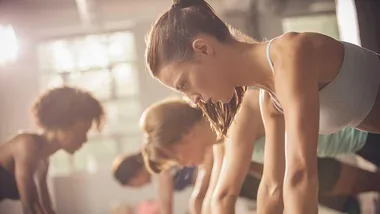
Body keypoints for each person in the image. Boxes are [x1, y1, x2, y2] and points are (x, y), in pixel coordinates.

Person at [145, 0, 380, 212]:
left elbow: (300, 175)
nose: (192, 100)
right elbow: (272, 187)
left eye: (183, 84)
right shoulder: (269, 100)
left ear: (204, 49)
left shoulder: (290, 55)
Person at [140, 94, 380, 213]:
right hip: (356, 141)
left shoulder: (235, 121)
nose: (181, 164)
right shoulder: (221, 140)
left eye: (175, 157)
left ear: (185, 135)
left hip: (363, 129)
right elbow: (215, 193)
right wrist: (197, 204)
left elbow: (224, 196)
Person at [0, 86, 105, 214]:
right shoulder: (26, 144)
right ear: (61, 125)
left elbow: (46, 206)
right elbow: (30, 205)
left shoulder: (43, 160)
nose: (84, 140)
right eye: (81, 132)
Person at [112, 152, 262, 214]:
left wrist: (198, 200)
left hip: (221, 174)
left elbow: (166, 205)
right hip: (216, 180)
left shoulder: (155, 162)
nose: (137, 187)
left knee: (263, 190)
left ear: (133, 176)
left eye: (132, 185)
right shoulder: (155, 166)